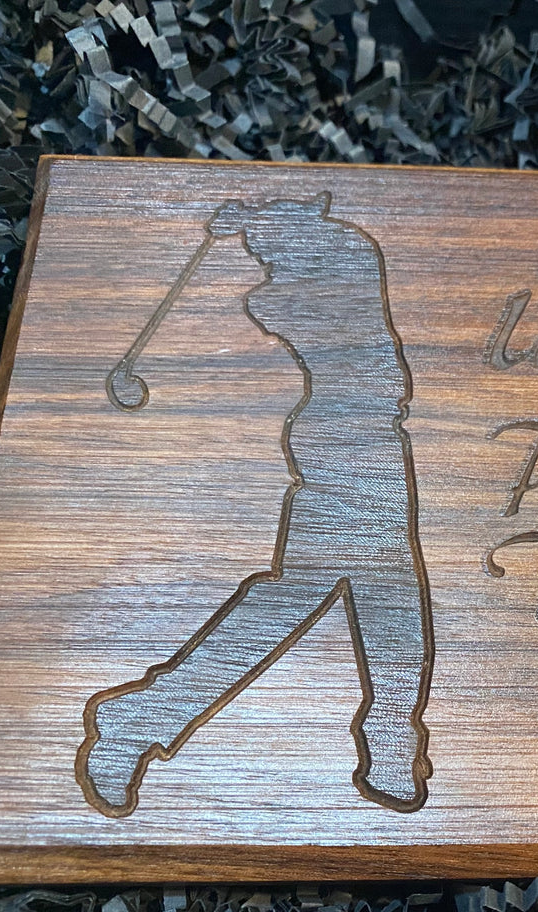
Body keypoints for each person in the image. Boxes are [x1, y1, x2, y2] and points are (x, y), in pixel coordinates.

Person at [78, 193, 434, 817]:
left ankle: (139, 720)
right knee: (356, 592)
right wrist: (254, 220)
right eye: (259, 251)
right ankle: (140, 720)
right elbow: (275, 295)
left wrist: (251, 217)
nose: (260, 261)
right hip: (347, 441)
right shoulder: (286, 295)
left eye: (267, 249)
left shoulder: (348, 258)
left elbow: (313, 255)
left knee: (358, 592)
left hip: (364, 436)